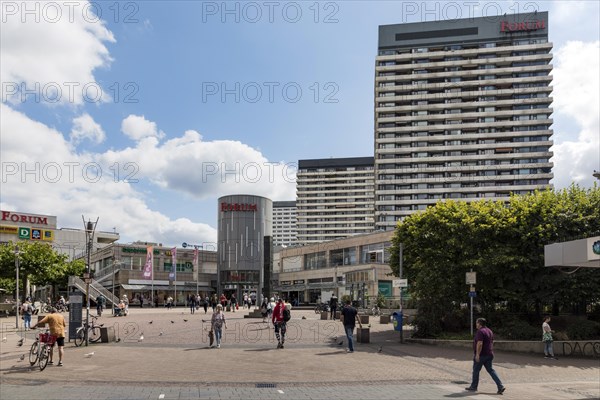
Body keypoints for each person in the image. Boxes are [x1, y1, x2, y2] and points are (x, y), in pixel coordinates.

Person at [465, 318, 506, 394]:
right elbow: (492, 342)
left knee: (476, 370)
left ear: (479, 323)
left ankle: (473, 387)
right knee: (491, 370)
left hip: (482, 355)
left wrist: (477, 354)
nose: (476, 324)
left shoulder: (480, 331)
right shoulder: (489, 331)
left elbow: (480, 343)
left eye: (476, 323)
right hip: (489, 354)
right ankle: (500, 386)